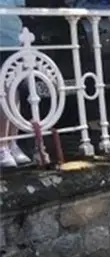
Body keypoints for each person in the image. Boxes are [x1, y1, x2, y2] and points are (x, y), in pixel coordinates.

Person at [1, 0, 30, 168]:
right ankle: (2, 145)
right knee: (3, 92)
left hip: (13, 41)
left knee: (14, 90)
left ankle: (12, 142)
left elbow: (20, 8)